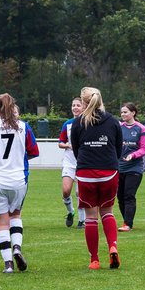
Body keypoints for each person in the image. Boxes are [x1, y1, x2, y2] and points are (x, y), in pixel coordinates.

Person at [0, 92, 40, 273]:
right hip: (18, 180)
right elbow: (33, 152)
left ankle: (8, 264)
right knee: (15, 216)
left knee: (2, 223)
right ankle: (17, 248)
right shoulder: (24, 127)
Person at [71, 86, 124, 270]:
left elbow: (76, 149)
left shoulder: (78, 123)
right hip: (108, 172)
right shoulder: (113, 121)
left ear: (84, 102)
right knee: (107, 212)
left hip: (86, 174)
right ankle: (113, 247)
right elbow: (119, 148)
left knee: (91, 218)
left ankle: (94, 259)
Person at [117, 103, 145, 231]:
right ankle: (126, 220)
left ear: (133, 113)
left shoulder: (141, 129)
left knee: (129, 195)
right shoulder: (118, 127)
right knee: (120, 197)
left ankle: (128, 224)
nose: (123, 115)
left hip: (134, 168)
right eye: (122, 112)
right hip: (119, 168)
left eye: (125, 112)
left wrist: (133, 155)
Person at [58, 97, 84, 228]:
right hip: (69, 162)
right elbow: (60, 143)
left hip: (84, 162)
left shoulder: (87, 123)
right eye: (73, 105)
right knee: (66, 190)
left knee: (81, 192)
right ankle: (70, 212)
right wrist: (68, 145)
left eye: (78, 105)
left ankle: (82, 220)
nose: (75, 107)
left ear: (84, 107)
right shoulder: (67, 124)